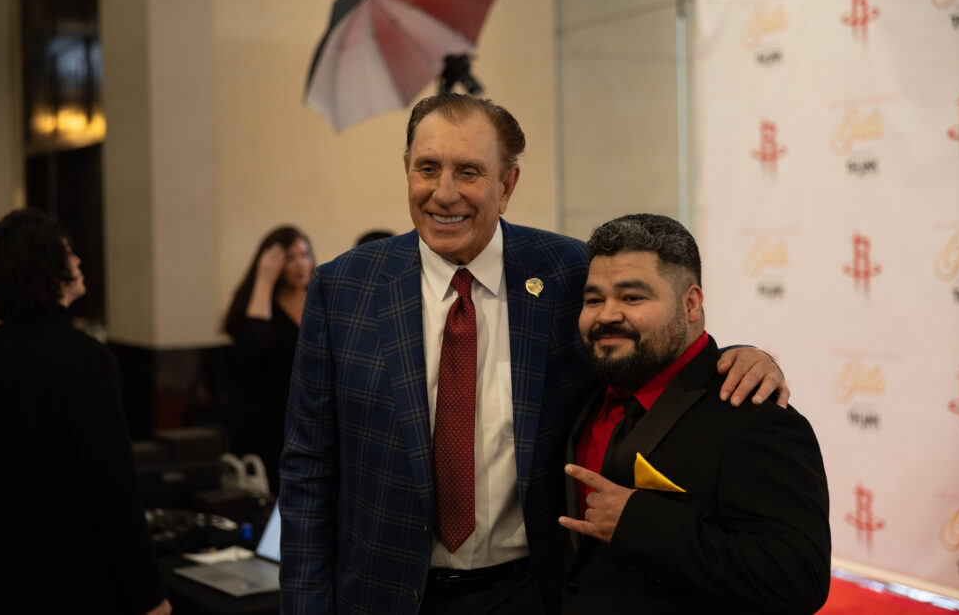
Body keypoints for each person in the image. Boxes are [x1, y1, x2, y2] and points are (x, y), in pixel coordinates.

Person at [279, 93, 787, 615]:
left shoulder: (569, 271)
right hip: (382, 596)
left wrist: (741, 356)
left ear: (508, 185)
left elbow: (651, 341)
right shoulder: (343, 289)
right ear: (406, 169)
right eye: (427, 168)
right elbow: (308, 469)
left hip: (531, 593)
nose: (444, 193)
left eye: (469, 171)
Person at [559, 214, 830, 613]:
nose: (607, 315)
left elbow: (798, 577)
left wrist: (640, 523)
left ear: (691, 303)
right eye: (594, 299)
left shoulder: (755, 415)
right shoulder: (584, 390)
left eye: (632, 298)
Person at [0, 209, 170, 615]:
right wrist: (150, 596)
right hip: (79, 585)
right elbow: (114, 488)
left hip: (3, 583)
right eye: (69, 253)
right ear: (48, 270)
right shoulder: (86, 360)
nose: (78, 262)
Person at [223, 226, 313, 495]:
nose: (300, 265)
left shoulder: (320, 299)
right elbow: (255, 347)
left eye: (304, 255)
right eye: (290, 257)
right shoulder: (260, 306)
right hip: (268, 420)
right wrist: (264, 281)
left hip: (311, 418)